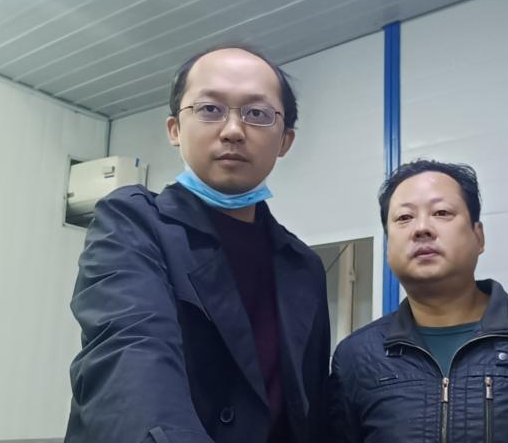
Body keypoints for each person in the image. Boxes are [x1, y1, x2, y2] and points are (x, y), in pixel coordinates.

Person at [64, 44, 330, 443]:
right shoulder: (132, 222)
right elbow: (132, 359)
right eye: (210, 109)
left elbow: (311, 408)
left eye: (257, 113)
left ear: (285, 141)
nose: (233, 130)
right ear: (175, 129)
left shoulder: (303, 265)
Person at [327, 159, 508, 443]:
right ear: (388, 247)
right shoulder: (356, 357)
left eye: (441, 212)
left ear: (478, 236)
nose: (421, 228)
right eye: (404, 217)